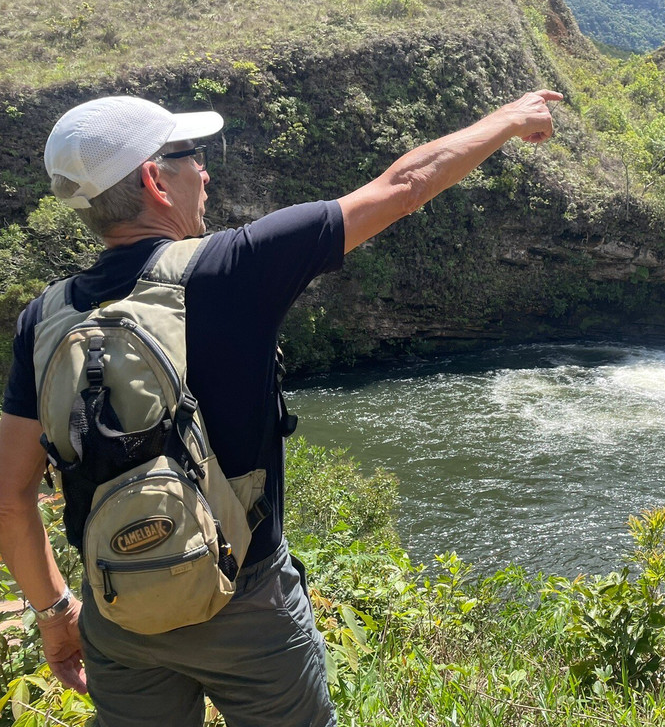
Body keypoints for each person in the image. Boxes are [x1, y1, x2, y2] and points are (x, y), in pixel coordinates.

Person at [0, 88, 561, 726]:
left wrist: (54, 614)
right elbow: (405, 186)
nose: (205, 172)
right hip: (248, 607)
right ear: (156, 180)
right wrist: (511, 119)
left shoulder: (43, 319)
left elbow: (9, 496)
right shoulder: (233, 267)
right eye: (192, 157)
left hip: (118, 613)